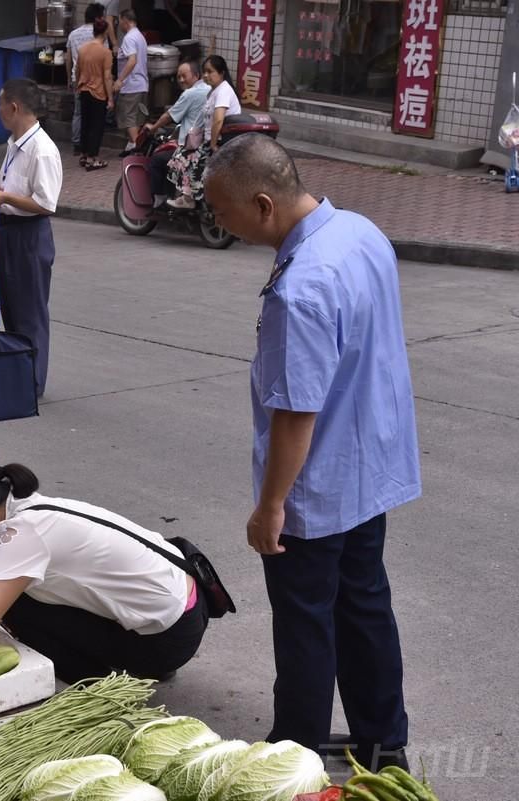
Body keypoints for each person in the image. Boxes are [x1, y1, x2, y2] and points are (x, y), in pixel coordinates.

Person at [203, 134, 420, 771]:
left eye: (222, 210)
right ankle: (385, 743)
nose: (220, 222)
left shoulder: (301, 289)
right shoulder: (358, 231)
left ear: (264, 204)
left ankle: (293, 752)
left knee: (304, 620)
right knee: (364, 602)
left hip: (319, 481)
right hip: (368, 464)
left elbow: (296, 412)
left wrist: (270, 506)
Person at [0, 458, 208, 683]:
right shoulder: (9, 513)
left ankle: (92, 682)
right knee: (5, 590)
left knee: (12, 603)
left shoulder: (22, 533)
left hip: (171, 636)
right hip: (184, 606)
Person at [0, 78, 62, 398]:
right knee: (11, 307)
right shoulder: (13, 143)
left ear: (14, 107)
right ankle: (18, 374)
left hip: (30, 233)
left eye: (0, 104)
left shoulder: (42, 149)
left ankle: (33, 383)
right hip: (7, 231)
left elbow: (46, 203)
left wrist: (4, 198)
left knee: (31, 312)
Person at [167, 54, 240, 209]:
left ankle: (190, 198)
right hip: (210, 140)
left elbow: (218, 119)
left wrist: (213, 145)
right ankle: (187, 196)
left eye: (210, 71)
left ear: (221, 73)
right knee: (181, 155)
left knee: (187, 158)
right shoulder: (212, 92)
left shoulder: (223, 91)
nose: (206, 75)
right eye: (204, 72)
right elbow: (202, 119)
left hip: (220, 142)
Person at [143, 61, 208, 207]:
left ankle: (160, 199)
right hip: (206, 144)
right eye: (178, 77)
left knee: (157, 160)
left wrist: (153, 128)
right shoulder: (211, 90)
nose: (181, 80)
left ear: (196, 75)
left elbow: (168, 116)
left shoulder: (190, 93)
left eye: (184, 76)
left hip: (191, 146)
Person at [66, 3, 105, 157]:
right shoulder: (99, 34)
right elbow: (103, 56)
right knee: (95, 116)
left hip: (79, 78)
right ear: (97, 18)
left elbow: (68, 58)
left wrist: (69, 78)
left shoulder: (73, 34)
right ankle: (91, 148)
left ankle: (78, 144)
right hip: (97, 80)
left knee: (79, 113)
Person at [76, 19, 113, 171]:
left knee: (85, 123)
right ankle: (93, 158)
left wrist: (77, 84)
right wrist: (110, 97)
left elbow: (77, 70)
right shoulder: (105, 52)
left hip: (84, 89)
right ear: (105, 33)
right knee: (96, 126)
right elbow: (107, 76)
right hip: (98, 92)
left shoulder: (83, 49)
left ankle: (84, 154)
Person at [113, 9, 148, 149]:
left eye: (119, 21)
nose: (119, 24)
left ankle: (136, 148)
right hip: (141, 84)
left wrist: (119, 80)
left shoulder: (129, 38)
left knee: (129, 119)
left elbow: (132, 60)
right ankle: (132, 146)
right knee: (136, 118)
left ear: (125, 20)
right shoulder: (140, 36)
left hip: (131, 85)